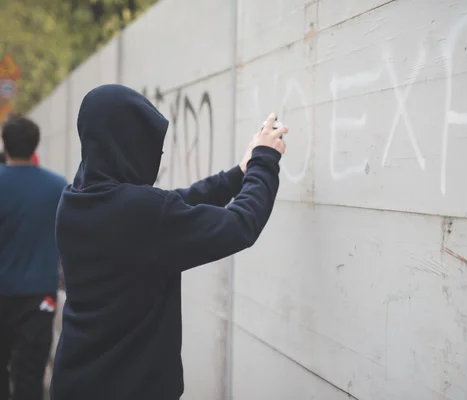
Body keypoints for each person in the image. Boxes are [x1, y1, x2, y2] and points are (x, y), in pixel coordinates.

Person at [50, 84, 288, 400]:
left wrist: (238, 173)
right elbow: (239, 224)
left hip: (75, 383)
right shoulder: (141, 214)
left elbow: (171, 205)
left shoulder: (75, 200)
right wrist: (265, 161)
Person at [0, 115, 68, 400]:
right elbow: (67, 235)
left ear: (5, 144)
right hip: (40, 293)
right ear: (35, 145)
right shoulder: (57, 186)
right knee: (31, 372)